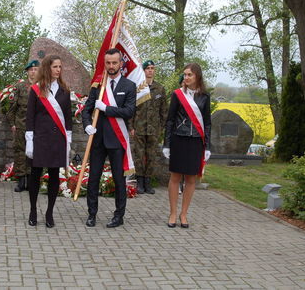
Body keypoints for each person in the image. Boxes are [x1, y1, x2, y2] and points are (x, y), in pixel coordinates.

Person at [82, 48, 136, 228]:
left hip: (117, 140)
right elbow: (86, 110)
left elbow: (129, 112)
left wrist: (106, 108)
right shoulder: (98, 85)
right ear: (104, 64)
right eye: (108, 63)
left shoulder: (129, 86)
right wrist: (87, 125)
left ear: (121, 64)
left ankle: (118, 216)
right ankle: (92, 214)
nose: (111, 66)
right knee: (93, 178)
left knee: (119, 179)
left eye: (114, 62)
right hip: (97, 140)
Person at [25, 55, 72, 228]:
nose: (58, 70)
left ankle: (50, 212)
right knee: (35, 175)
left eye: (60, 67)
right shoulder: (36, 90)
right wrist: (29, 141)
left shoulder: (65, 90)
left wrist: (68, 140)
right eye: (55, 67)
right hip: (40, 140)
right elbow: (29, 117)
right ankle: (32, 210)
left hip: (57, 140)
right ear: (47, 68)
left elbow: (68, 118)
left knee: (54, 176)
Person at [163, 63, 211, 229]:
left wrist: (208, 146)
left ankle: (184, 214)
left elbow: (207, 123)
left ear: (197, 76)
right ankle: (173, 213)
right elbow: (170, 120)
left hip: (196, 141)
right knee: (175, 177)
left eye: (189, 74)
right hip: (179, 139)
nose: (186, 77)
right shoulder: (177, 95)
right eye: (185, 75)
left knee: (191, 179)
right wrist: (166, 144)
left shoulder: (205, 96)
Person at [130, 60, 167, 194]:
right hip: (139, 127)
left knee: (152, 155)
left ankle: (147, 181)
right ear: (143, 71)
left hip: (154, 129)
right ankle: (139, 181)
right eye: (148, 68)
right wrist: (131, 126)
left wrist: (161, 127)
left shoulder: (160, 89)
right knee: (139, 155)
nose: (150, 70)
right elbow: (132, 109)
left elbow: (164, 111)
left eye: (152, 68)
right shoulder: (138, 88)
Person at [7, 60, 39, 192]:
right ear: (27, 72)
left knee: (34, 153)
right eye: (31, 70)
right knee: (20, 152)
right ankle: (21, 181)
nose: (33, 72)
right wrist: (12, 124)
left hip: (37, 126)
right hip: (21, 125)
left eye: (36, 69)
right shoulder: (20, 87)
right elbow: (12, 108)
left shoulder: (43, 86)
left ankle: (31, 181)